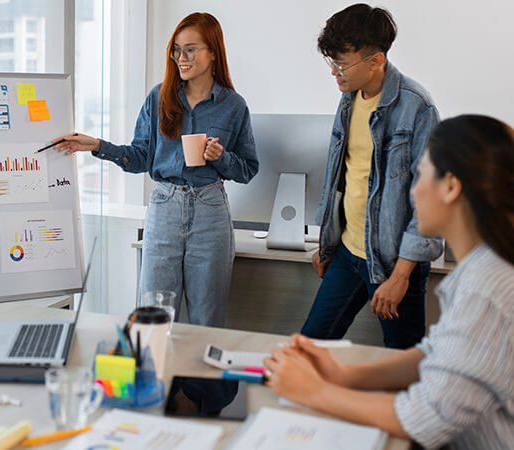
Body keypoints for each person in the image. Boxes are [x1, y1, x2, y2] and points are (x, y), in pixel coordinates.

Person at [265, 115, 514, 449]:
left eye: (420, 175)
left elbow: (423, 418)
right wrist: (344, 376)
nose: (412, 189)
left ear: (452, 187)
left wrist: (316, 391)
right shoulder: (483, 268)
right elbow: (435, 353)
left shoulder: (488, 288)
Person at [55, 12, 258, 327]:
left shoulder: (233, 105)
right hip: (164, 207)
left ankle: (198, 379)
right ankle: (158, 377)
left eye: (191, 48)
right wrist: (97, 145)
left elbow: (247, 169)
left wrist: (220, 157)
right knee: (154, 316)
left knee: (207, 318)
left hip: (210, 211)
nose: (181, 57)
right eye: (177, 49)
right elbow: (140, 158)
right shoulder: (159, 96)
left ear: (213, 52)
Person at [301, 4, 443, 349]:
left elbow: (427, 203)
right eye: (331, 62)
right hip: (348, 255)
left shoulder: (417, 108)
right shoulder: (348, 100)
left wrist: (400, 276)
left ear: (376, 60)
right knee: (308, 348)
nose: (334, 72)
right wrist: (326, 242)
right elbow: (340, 176)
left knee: (403, 364)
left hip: (395, 265)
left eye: (341, 64)